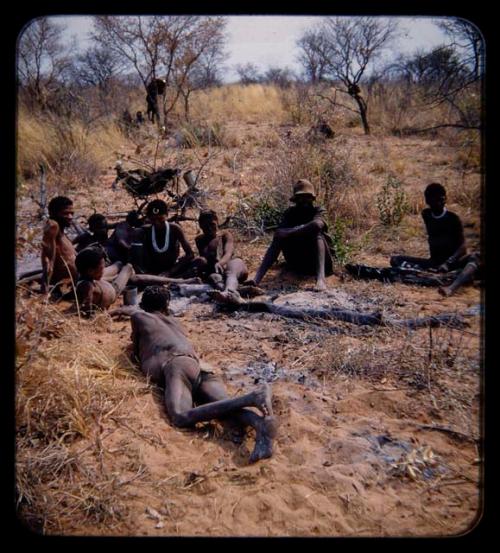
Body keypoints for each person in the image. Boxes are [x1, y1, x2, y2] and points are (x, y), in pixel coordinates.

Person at [117, 285, 276, 463]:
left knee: (180, 416)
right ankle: (259, 424)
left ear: (144, 305)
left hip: (176, 364)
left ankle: (253, 396)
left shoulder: (139, 316)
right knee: (225, 406)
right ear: (166, 306)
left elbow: (135, 347)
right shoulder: (175, 323)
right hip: (199, 366)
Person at [390, 182, 480, 296]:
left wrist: (448, 262)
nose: (441, 202)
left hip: (452, 262)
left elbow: (463, 247)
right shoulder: (426, 215)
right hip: (434, 262)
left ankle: (451, 288)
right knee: (395, 260)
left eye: (443, 199)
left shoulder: (453, 219)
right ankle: (428, 274)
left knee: (476, 256)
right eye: (437, 200)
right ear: (428, 201)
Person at [249, 179, 334, 291]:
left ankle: (321, 280)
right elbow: (279, 234)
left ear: (312, 198)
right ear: (295, 200)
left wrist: (290, 231)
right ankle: (256, 279)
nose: (303, 201)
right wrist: (292, 232)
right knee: (279, 238)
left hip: (321, 264)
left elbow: (317, 225)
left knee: (316, 234)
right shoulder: (290, 213)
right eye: (300, 198)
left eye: (307, 197)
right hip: (298, 263)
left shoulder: (319, 210)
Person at [192, 210, 259, 300]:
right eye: (205, 226)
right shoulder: (199, 240)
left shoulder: (225, 235)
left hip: (233, 266)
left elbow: (228, 252)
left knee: (231, 270)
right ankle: (236, 291)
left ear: (217, 222)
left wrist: (220, 263)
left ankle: (228, 293)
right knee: (213, 278)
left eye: (212, 224)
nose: (209, 228)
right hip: (217, 272)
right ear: (200, 226)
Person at [140, 199, 194, 277]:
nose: (157, 223)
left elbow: (190, 254)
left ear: (167, 215)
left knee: (200, 262)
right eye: (153, 219)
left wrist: (170, 272)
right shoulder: (145, 230)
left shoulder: (175, 229)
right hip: (152, 271)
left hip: (172, 269)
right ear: (148, 218)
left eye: (160, 219)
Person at [75, 248, 134, 315]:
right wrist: (118, 311)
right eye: (102, 268)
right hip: (114, 288)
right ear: (90, 271)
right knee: (128, 268)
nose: (103, 269)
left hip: (100, 281)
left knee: (118, 264)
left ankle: (117, 270)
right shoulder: (87, 287)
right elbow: (87, 314)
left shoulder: (86, 274)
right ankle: (120, 273)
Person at [41, 196, 78, 294]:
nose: (70, 217)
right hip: (68, 285)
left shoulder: (60, 231)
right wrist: (45, 289)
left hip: (76, 279)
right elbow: (48, 260)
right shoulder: (53, 226)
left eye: (72, 213)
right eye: (65, 213)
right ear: (53, 213)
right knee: (119, 266)